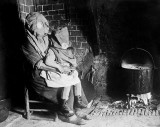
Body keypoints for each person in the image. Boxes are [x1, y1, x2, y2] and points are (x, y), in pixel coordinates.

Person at [22, 12, 87, 125]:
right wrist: (59, 68)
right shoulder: (27, 43)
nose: (44, 32)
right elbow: (40, 65)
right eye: (40, 27)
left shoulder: (45, 36)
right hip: (37, 75)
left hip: (51, 67)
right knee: (66, 83)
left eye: (44, 25)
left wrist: (66, 60)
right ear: (32, 27)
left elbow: (58, 46)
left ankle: (78, 107)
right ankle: (67, 114)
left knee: (73, 77)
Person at [40, 26, 87, 110]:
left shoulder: (68, 49)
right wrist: (59, 66)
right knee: (67, 81)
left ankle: (78, 100)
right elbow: (48, 62)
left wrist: (72, 68)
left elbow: (72, 61)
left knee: (76, 78)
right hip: (55, 70)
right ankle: (63, 102)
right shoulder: (52, 50)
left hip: (66, 69)